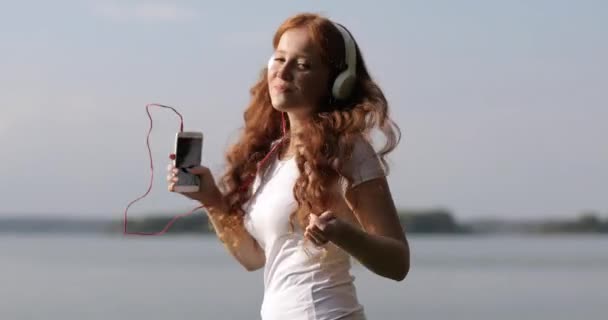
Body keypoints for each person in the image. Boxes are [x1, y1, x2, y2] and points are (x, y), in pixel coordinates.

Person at [167, 12, 410, 320]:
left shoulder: (349, 151)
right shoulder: (273, 157)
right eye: (280, 59)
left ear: (338, 83)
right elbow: (254, 257)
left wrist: (343, 233)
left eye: (303, 65)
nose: (283, 72)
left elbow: (398, 263)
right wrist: (211, 199)